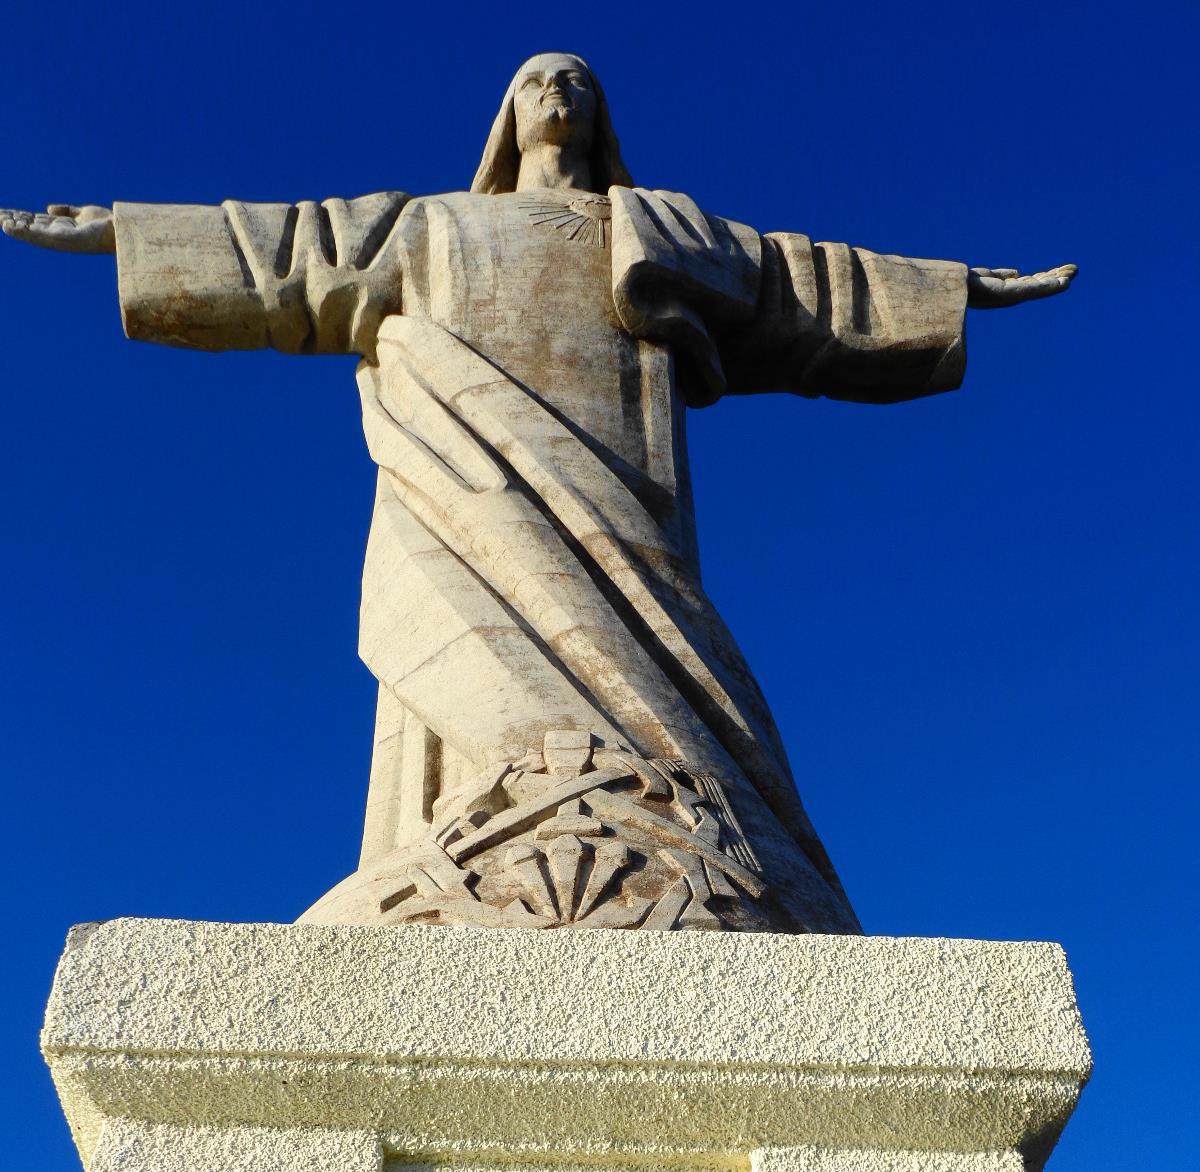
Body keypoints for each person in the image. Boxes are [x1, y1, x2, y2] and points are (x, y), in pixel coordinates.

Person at [0, 53, 1075, 933]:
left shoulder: (656, 232)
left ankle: (674, 841)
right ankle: (490, 848)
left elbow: (798, 283)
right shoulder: (428, 230)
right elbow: (290, 249)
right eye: (535, 82)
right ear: (509, 116)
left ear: (597, 117)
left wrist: (953, 290)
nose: (557, 93)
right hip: (464, 479)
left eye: (577, 83)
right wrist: (124, 232)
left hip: (624, 493)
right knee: (482, 656)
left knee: (656, 658)